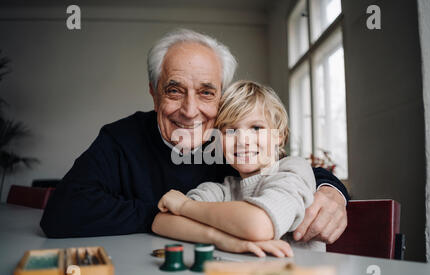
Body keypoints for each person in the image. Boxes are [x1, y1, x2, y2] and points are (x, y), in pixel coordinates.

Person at [40, 29, 349, 244]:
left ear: (221, 99)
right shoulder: (121, 139)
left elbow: (285, 168)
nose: (189, 111)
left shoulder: (232, 144)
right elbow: (63, 212)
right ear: (154, 92)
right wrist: (158, 212)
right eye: (174, 90)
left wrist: (331, 188)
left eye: (206, 93)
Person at [153, 80, 324, 257]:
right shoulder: (225, 189)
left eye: (256, 128)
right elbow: (161, 222)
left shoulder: (292, 170)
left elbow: (258, 225)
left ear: (278, 135)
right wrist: (221, 239)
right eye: (231, 131)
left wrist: (184, 206)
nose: (243, 141)